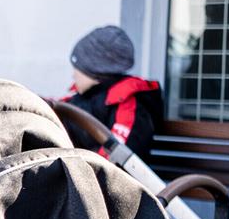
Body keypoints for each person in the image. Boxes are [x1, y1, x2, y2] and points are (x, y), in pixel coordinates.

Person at [63, 26, 162, 162]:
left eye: (78, 68)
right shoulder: (85, 98)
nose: (73, 75)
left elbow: (119, 154)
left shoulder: (128, 105)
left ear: (95, 71)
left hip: (113, 179)